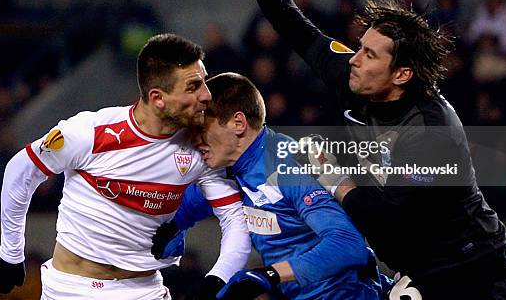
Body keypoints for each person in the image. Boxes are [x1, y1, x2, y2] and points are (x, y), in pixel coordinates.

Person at [194, 0, 506, 299]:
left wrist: (333, 178)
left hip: (476, 271)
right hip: (420, 270)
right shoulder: (356, 78)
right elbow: (296, 27)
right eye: (360, 47)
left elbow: (387, 219)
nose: (355, 59)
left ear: (402, 74)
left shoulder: (430, 131)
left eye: (369, 54)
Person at [0, 33, 251, 300]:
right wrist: (11, 252)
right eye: (193, 86)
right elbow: (21, 169)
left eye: (204, 83)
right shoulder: (89, 132)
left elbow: (235, 219)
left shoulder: (203, 148)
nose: (207, 95)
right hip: (71, 289)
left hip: (145, 290)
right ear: (158, 98)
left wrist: (217, 279)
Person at [153, 72, 383, 300]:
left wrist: (269, 275)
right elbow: (177, 213)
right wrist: (169, 232)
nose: (195, 140)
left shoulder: (290, 162)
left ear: (238, 123)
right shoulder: (224, 173)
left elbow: (348, 245)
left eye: (201, 129)